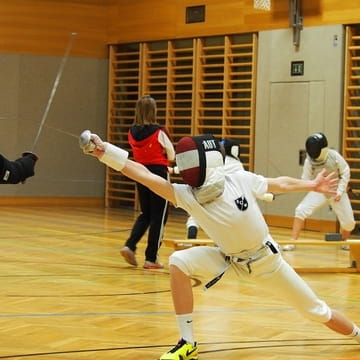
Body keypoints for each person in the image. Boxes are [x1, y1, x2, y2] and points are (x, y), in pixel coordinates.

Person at [80, 132, 360, 360]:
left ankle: (358, 335)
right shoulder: (186, 194)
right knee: (179, 261)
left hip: (268, 264)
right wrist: (105, 153)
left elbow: (279, 184)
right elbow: (143, 174)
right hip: (229, 261)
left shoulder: (238, 180)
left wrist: (311, 185)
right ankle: (187, 342)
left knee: (316, 311)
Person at [180, 138, 273, 239]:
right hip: (224, 198)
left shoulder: (215, 160)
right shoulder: (237, 165)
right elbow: (247, 187)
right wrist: (266, 196)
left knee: (195, 214)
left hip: (204, 192)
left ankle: (191, 238)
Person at [121, 95, 175, 269]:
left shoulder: (131, 132)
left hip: (140, 173)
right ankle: (151, 258)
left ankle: (129, 245)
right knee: (159, 217)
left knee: (146, 214)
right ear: (153, 111)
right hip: (158, 174)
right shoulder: (159, 131)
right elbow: (172, 154)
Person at [283, 132, 355, 251]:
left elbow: (345, 171)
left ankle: (343, 241)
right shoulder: (309, 161)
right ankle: (292, 242)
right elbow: (305, 179)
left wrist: (340, 191)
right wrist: (311, 186)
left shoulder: (334, 156)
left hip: (336, 191)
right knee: (300, 210)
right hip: (319, 191)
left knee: (349, 223)